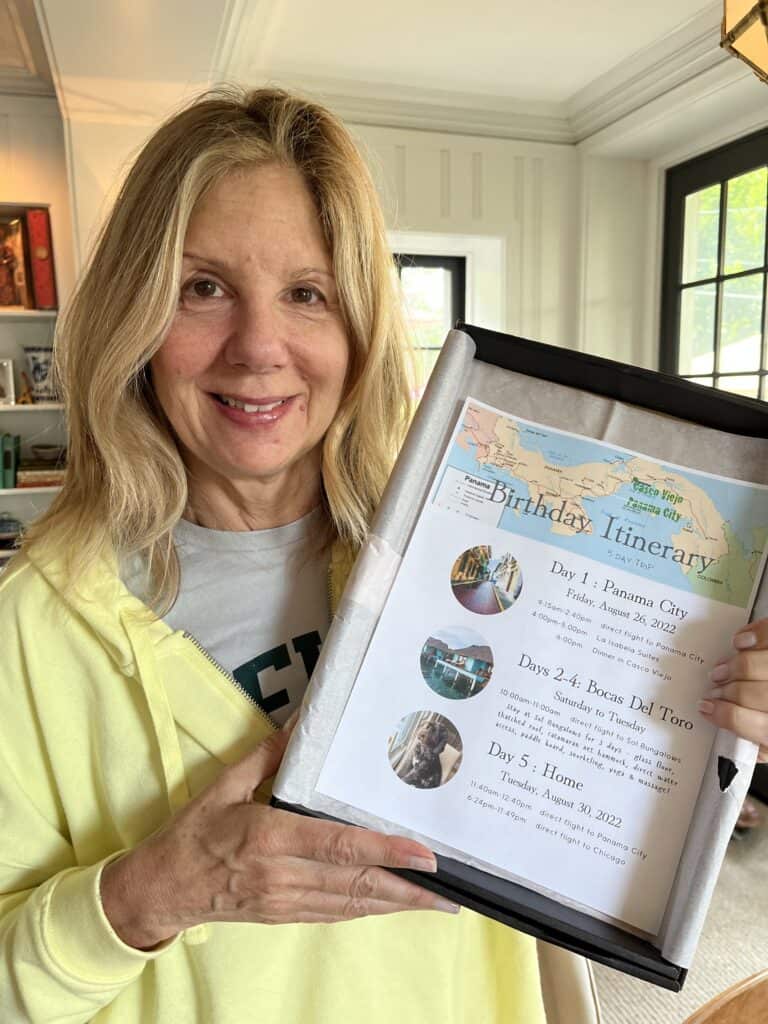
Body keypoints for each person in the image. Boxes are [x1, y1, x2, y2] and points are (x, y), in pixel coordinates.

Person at [0, 85, 766, 1024]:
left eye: (306, 293)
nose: (259, 347)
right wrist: (149, 895)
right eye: (203, 287)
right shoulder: (35, 628)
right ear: (136, 314)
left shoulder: (468, 547)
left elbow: (608, 798)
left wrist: (726, 723)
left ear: (360, 326)